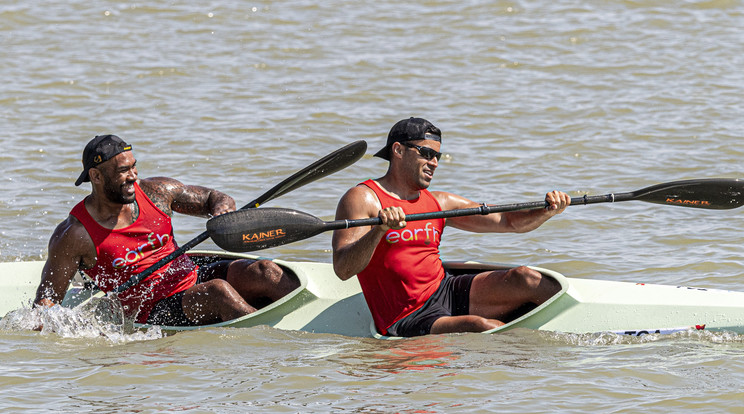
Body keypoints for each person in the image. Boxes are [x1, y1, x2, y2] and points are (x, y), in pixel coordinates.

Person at [332, 118, 570, 337]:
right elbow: (343, 269)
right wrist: (379, 230)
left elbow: (509, 222)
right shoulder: (363, 199)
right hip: (405, 316)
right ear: (398, 150)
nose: (434, 163)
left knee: (526, 278)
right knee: (481, 327)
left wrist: (548, 210)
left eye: (438, 156)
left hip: (444, 289)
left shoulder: (439, 203)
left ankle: (573, 336)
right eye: (426, 153)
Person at [34, 134, 300, 326]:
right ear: (96, 177)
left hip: (190, 275)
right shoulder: (74, 235)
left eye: (134, 166)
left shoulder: (156, 191)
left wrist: (223, 209)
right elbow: (47, 301)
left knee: (266, 271)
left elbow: (213, 198)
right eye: (123, 171)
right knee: (219, 292)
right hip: (150, 309)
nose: (133, 176)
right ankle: (274, 343)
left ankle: (307, 316)